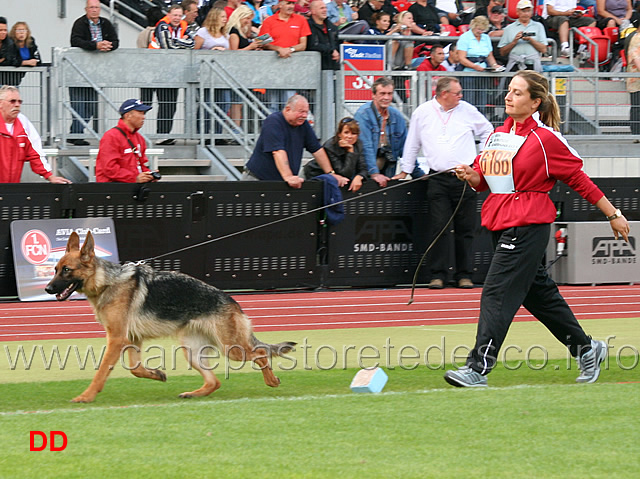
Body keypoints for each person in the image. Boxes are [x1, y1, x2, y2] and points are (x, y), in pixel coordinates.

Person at [444, 70, 630, 387]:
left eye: (517, 92)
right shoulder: (495, 136)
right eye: (509, 91)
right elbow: (483, 181)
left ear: (535, 102)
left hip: (527, 224)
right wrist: (469, 174)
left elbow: (578, 179)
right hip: (498, 222)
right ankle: (586, 348)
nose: (508, 96)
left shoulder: (546, 140)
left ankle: (477, 368)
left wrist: (612, 213)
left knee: (496, 293)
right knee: (539, 295)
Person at [393, 77, 493, 289]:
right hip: (437, 177)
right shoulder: (423, 112)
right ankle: (437, 274)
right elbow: (412, 143)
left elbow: (487, 130)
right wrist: (405, 170)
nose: (460, 96)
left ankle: (464, 274)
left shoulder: (467, 110)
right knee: (439, 227)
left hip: (465, 177)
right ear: (443, 93)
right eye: (457, 93)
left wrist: (482, 158)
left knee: (466, 228)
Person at [243, 95, 349, 188]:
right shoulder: (273, 121)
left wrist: (331, 173)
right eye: (301, 111)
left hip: (281, 182)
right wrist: (288, 176)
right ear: (288, 109)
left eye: (306, 112)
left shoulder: (303, 125)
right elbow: (278, 151)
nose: (304, 115)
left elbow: (317, 150)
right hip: (257, 180)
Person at [354, 77, 422, 187]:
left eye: (390, 94)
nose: (386, 97)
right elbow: (366, 147)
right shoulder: (363, 115)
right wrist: (374, 173)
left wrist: (419, 175)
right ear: (373, 95)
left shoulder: (397, 116)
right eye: (382, 93)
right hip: (363, 170)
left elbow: (406, 147)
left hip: (388, 168)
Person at [68, 0, 119, 146]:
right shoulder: (79, 23)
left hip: (97, 72)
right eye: (91, 7)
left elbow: (115, 41)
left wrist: (107, 45)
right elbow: (75, 41)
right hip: (78, 70)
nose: (94, 10)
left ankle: (74, 133)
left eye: (96, 7)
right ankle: (77, 135)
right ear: (86, 9)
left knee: (91, 106)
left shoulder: (106, 23)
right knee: (78, 104)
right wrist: (95, 45)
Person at [0, 85, 70, 184]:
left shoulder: (23, 122)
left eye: (20, 102)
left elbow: (36, 153)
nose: (17, 105)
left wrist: (49, 176)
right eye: (12, 101)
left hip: (11, 188)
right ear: (0, 103)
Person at [147, 4, 195, 146]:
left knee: (171, 105)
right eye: (174, 15)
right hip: (158, 70)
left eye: (179, 16)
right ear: (168, 14)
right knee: (162, 103)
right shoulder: (162, 26)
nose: (177, 18)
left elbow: (192, 43)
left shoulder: (184, 26)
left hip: (174, 71)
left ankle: (166, 134)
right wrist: (181, 42)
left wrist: (175, 41)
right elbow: (166, 46)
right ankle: (161, 134)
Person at [96, 99, 159, 183]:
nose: (143, 117)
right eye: (140, 113)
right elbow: (109, 168)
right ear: (128, 116)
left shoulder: (139, 138)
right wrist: (134, 178)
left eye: (144, 113)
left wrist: (148, 175)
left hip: (130, 187)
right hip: (113, 190)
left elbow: (140, 164)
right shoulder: (111, 136)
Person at [303, 117, 368, 191]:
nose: (349, 136)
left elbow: (363, 168)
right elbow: (344, 173)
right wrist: (350, 152)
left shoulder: (358, 144)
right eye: (346, 132)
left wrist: (359, 176)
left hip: (338, 178)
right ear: (339, 134)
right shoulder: (330, 146)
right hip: (315, 174)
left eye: (353, 133)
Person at [456, 15, 501, 114]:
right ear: (473, 26)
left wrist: (494, 66)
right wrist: (475, 66)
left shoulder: (486, 38)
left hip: (483, 73)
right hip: (468, 74)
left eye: (483, 30)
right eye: (478, 29)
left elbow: (489, 56)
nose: (480, 32)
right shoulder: (465, 37)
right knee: (469, 102)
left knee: (482, 102)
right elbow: (461, 58)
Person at [498, 0, 548, 72]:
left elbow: (543, 49)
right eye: (523, 11)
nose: (526, 13)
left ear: (531, 12)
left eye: (528, 11)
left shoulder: (539, 26)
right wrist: (514, 42)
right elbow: (502, 52)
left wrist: (531, 40)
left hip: (532, 65)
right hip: (515, 65)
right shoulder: (509, 28)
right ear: (517, 12)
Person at [307, 0, 340, 71]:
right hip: (315, 66)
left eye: (325, 8)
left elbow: (337, 41)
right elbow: (313, 44)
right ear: (313, 11)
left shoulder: (330, 25)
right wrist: (331, 51)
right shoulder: (308, 25)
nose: (325, 10)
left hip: (332, 65)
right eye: (321, 8)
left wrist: (336, 52)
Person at [626, 25, 640, 135]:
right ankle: (636, 134)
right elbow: (635, 58)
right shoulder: (636, 38)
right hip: (636, 80)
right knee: (637, 106)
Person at [0, 17, 21, 86]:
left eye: (5, 30)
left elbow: (13, 60)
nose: (3, 32)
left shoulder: (11, 44)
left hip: (9, 82)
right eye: (0, 30)